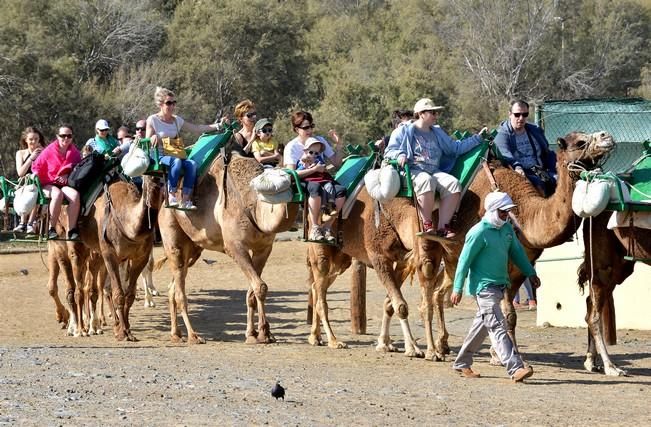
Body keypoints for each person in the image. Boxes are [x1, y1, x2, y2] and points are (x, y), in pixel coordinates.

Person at [450, 191, 541, 382]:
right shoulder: (478, 232)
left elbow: (517, 253)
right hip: (483, 289)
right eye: (502, 212)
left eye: (507, 212)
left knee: (482, 325)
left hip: (500, 286)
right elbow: (464, 262)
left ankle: (461, 362)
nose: (506, 215)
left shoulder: (506, 230)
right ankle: (515, 368)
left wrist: (531, 273)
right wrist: (457, 288)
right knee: (499, 326)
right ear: (492, 210)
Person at [384, 98, 486, 238]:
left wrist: (477, 139)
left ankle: (443, 227)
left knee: (453, 184)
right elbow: (389, 152)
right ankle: (427, 224)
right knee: (426, 180)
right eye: (432, 112)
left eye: (436, 113)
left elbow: (455, 148)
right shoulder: (403, 131)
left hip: (434, 171)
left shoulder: (437, 132)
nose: (435, 116)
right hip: (413, 170)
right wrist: (400, 154)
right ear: (421, 113)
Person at [146, 86, 221, 210]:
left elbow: (197, 128)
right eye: (168, 103)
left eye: (173, 103)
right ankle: (171, 195)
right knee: (175, 162)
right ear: (160, 104)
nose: (172, 106)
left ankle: (186, 199)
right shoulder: (153, 120)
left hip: (175, 154)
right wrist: (153, 138)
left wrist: (218, 126)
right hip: (160, 156)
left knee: (191, 164)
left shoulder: (176, 120)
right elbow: (147, 140)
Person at [284, 111, 345, 241]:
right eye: (306, 127)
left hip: (322, 177)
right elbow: (291, 174)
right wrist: (314, 170)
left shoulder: (320, 141)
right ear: (296, 129)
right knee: (315, 187)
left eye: (311, 126)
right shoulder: (292, 147)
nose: (310, 130)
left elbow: (336, 162)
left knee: (341, 191)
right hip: (303, 179)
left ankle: (327, 227)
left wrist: (339, 145)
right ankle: (315, 228)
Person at [494, 100, 557, 196]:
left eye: (525, 114)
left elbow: (547, 152)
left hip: (536, 169)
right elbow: (505, 155)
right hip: (518, 173)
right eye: (517, 114)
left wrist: (554, 168)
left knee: (555, 181)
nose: (521, 118)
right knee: (538, 185)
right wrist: (517, 167)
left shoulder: (534, 131)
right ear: (510, 114)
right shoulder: (502, 135)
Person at [31, 124, 82, 240]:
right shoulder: (49, 150)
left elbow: (78, 169)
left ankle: (72, 230)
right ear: (57, 136)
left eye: (69, 136)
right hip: (47, 183)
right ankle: (51, 228)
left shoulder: (74, 153)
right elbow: (36, 167)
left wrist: (67, 175)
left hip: (64, 184)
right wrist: (34, 178)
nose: (66, 138)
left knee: (75, 196)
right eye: (63, 135)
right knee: (57, 194)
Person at [295, 138, 346, 242]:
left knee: (339, 189)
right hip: (310, 181)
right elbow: (298, 172)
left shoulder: (318, 160)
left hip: (323, 179)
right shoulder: (302, 160)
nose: (313, 155)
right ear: (305, 151)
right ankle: (315, 227)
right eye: (311, 152)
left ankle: (327, 224)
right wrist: (309, 167)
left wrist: (322, 168)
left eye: (316, 153)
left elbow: (324, 168)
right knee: (316, 187)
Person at [13, 127, 45, 233]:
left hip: (39, 183)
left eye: (36, 139)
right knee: (30, 189)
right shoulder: (20, 153)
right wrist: (32, 157)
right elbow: (20, 172)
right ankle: (22, 222)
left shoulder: (44, 152)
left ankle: (31, 222)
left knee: (36, 190)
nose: (34, 141)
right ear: (26, 140)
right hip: (24, 184)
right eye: (31, 139)